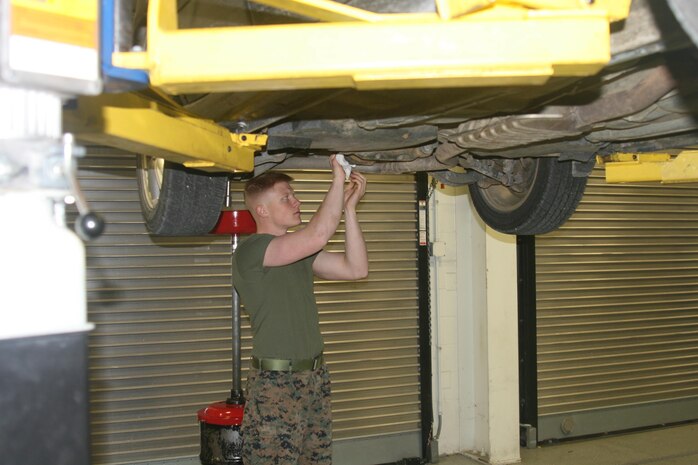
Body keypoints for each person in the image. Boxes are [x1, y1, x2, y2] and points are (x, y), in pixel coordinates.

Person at [231, 155, 368, 465]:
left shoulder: (298, 252)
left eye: (293, 195)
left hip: (314, 377)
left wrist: (349, 210)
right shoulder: (251, 251)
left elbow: (356, 269)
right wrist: (337, 178)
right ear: (262, 210)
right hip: (277, 383)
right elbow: (318, 235)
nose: (296, 201)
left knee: (316, 460)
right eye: (286, 197)